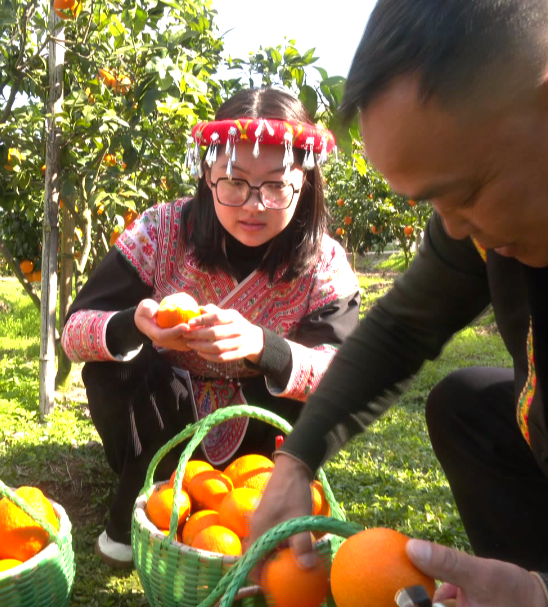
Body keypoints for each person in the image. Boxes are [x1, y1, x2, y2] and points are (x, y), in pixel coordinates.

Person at [248, 1, 548, 605]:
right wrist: (296, 459)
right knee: (469, 407)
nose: (453, 228)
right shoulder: (501, 164)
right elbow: (402, 327)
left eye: (463, 195)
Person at [62, 87, 362, 567]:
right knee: (111, 363)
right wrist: (135, 325)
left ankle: (252, 501)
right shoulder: (161, 230)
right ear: (207, 174)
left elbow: (347, 376)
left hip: (260, 434)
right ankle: (145, 487)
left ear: (304, 181)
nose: (254, 205)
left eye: (276, 186)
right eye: (234, 182)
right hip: (164, 407)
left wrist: (264, 347)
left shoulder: (323, 261)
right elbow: (75, 330)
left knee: (311, 401)